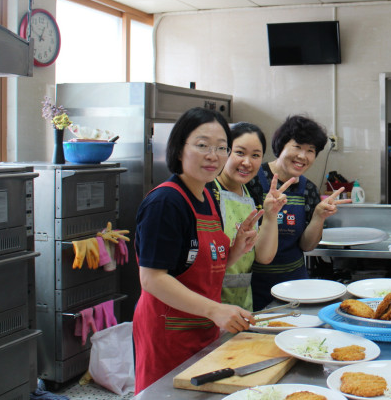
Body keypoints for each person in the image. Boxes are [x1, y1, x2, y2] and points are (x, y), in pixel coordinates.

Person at [132, 107, 256, 393]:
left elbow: (199, 269)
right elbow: (152, 278)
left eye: (221, 148)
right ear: (179, 149)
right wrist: (215, 309)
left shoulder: (207, 196)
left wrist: (236, 250)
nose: (213, 155)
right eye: (202, 145)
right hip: (168, 332)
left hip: (203, 328)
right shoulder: (165, 202)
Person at [248, 114, 350, 311]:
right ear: (281, 146)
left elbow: (307, 245)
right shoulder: (252, 180)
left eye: (310, 150)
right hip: (254, 284)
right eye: (297, 147)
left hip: (295, 285)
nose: (303, 156)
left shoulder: (308, 189)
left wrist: (319, 217)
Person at [208, 122, 294, 311]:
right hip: (209, 304)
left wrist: (271, 215)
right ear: (224, 151)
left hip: (242, 303)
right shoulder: (207, 191)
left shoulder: (252, 193)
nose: (247, 162)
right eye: (239, 153)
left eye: (255, 155)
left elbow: (264, 257)